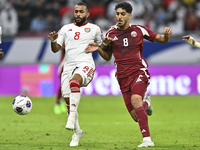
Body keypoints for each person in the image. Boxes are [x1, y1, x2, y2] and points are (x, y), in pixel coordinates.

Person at [85, 2, 172, 148]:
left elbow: (162, 39)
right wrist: (99, 48)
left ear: (129, 15)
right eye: (117, 14)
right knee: (136, 116)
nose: (119, 17)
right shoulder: (110, 34)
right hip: (122, 77)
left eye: (122, 14)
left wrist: (167, 36)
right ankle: (147, 103)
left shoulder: (139, 30)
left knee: (135, 100)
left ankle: (147, 140)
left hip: (139, 71)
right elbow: (107, 57)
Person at [47, 2, 103, 147]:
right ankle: (77, 132)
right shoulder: (66, 29)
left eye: (81, 12)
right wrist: (53, 41)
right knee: (67, 99)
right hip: (68, 66)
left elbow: (104, 47)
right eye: (76, 11)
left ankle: (71, 118)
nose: (78, 14)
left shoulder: (94, 29)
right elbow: (55, 49)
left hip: (86, 64)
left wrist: (100, 48)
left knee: (74, 82)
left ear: (88, 14)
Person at [53, 45, 67, 115]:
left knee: (70, 84)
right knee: (63, 84)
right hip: (65, 60)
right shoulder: (65, 34)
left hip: (73, 60)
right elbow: (60, 46)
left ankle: (63, 101)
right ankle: (57, 104)